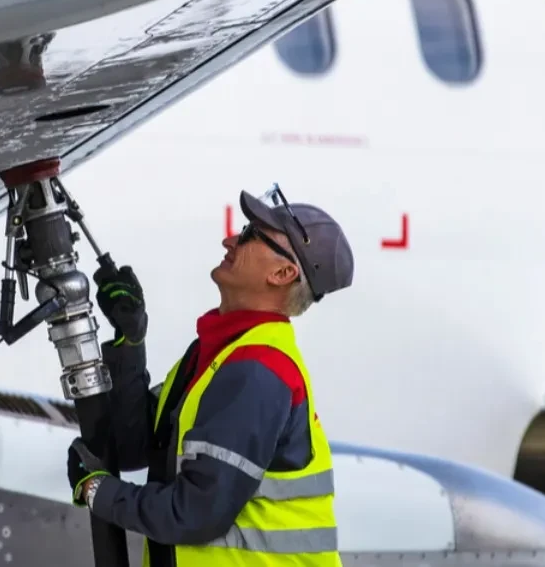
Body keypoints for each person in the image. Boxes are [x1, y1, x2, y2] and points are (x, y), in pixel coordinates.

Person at [66, 184, 354, 567]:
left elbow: (193, 514)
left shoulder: (258, 370)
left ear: (283, 273)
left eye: (251, 236)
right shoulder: (217, 353)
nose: (230, 239)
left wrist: (99, 492)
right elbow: (138, 446)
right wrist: (129, 342)